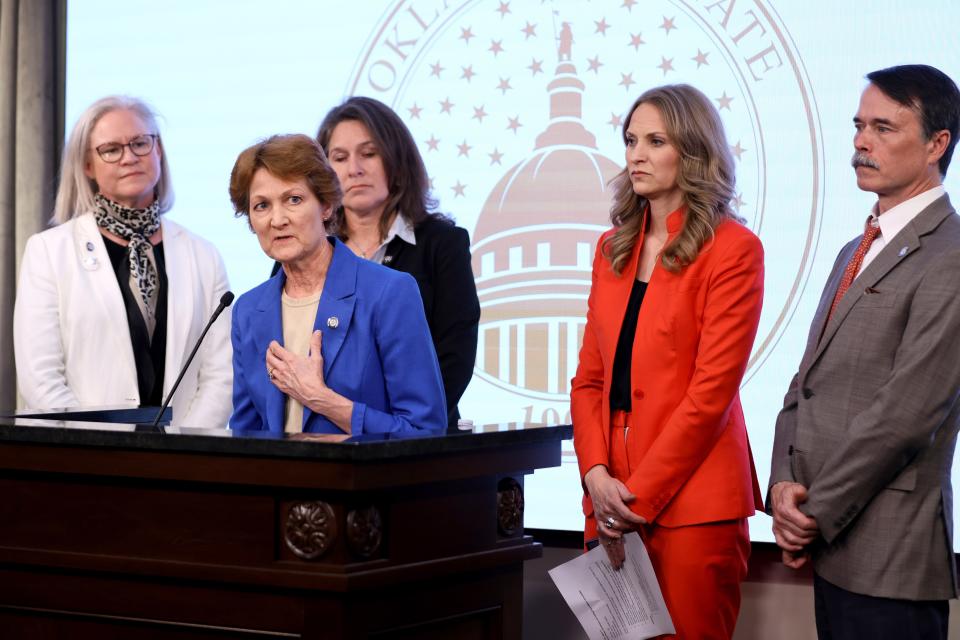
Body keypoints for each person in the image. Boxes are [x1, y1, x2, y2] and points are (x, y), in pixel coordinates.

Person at [768, 64, 960, 640]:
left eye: (883, 127)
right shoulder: (857, 246)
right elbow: (806, 382)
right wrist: (782, 486)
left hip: (890, 558)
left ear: (936, 145)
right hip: (833, 549)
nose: (860, 141)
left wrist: (811, 513)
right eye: (858, 125)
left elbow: (906, 416)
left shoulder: (951, 255)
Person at [570, 84, 764, 639]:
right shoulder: (612, 247)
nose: (636, 154)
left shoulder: (733, 249)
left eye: (656, 141)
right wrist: (595, 475)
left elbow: (710, 397)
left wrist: (634, 498)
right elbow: (588, 380)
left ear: (694, 152)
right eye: (631, 140)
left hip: (691, 506)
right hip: (608, 496)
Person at [13, 95, 232, 427]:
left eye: (140, 143)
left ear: (158, 151)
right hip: (80, 461)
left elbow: (220, 376)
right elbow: (40, 378)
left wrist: (184, 445)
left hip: (182, 459)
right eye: (111, 149)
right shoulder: (48, 251)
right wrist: (106, 449)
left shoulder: (204, 255)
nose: (129, 157)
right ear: (87, 165)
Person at [229, 134, 446, 436]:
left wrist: (322, 400)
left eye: (294, 199)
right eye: (261, 205)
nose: (277, 220)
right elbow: (245, 435)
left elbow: (424, 430)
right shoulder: (248, 310)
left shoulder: (388, 293)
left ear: (327, 206)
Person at [315, 96, 480, 430]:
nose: (354, 169)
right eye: (340, 157)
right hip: (325, 442)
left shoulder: (442, 244)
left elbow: (455, 357)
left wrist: (395, 429)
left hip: (417, 445)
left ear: (396, 159)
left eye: (369, 153)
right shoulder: (307, 252)